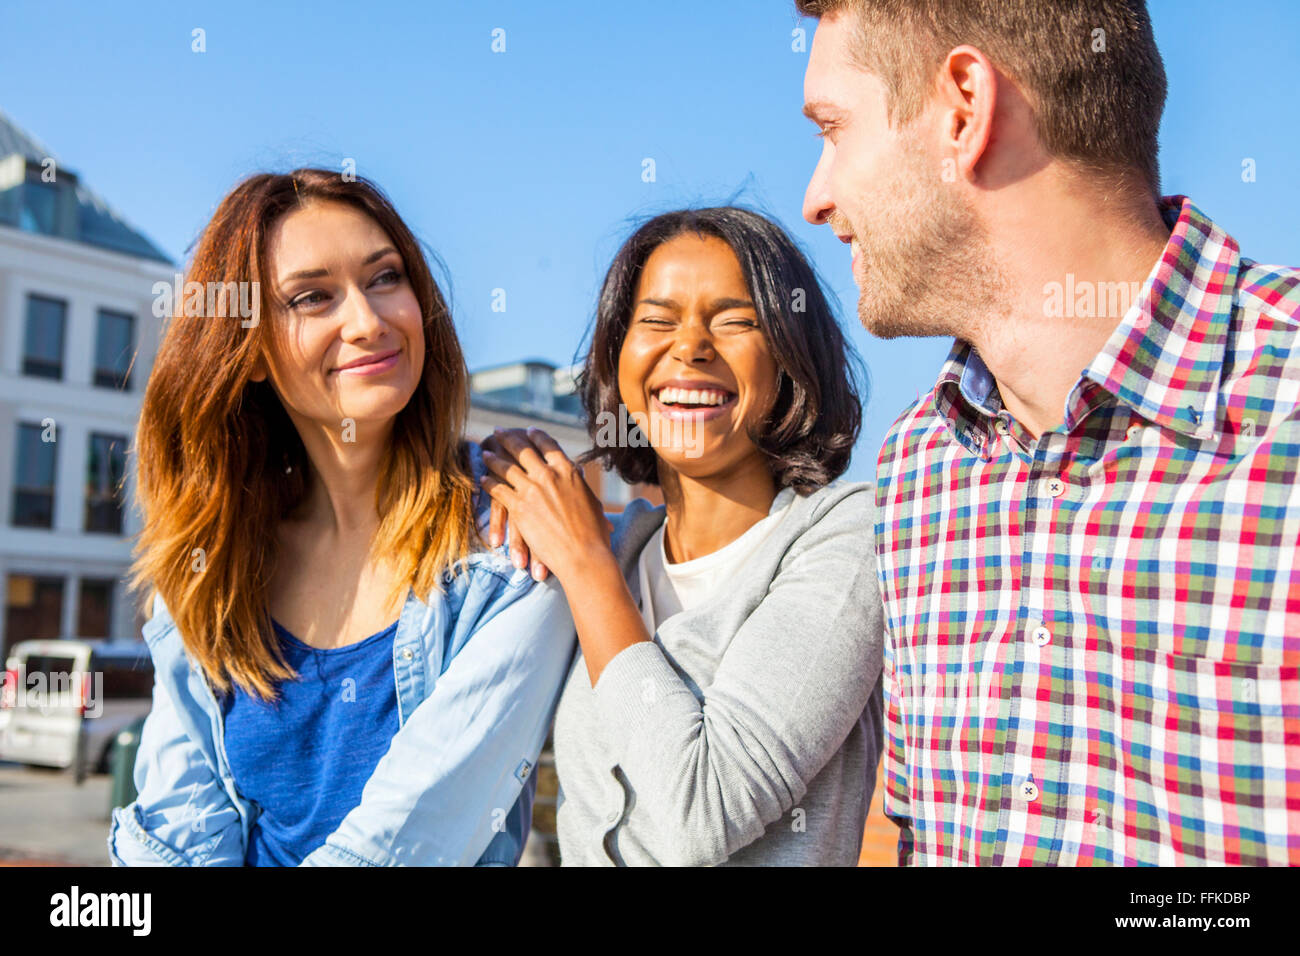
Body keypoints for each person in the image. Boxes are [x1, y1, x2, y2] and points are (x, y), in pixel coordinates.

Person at [796, 0, 1300, 865]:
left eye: (834, 130)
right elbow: (914, 831)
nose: (817, 198)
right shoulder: (920, 467)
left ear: (963, 108)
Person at [108, 168, 575, 867]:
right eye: (312, 297)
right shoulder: (214, 561)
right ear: (253, 349)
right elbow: (174, 837)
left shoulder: (512, 544)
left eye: (385, 278)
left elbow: (405, 844)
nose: (367, 320)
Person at [481, 206, 884, 865]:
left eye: (733, 320)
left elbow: (700, 814)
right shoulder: (621, 548)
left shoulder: (842, 539)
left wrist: (585, 568)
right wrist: (511, 461)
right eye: (657, 321)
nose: (690, 347)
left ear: (789, 355)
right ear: (620, 359)